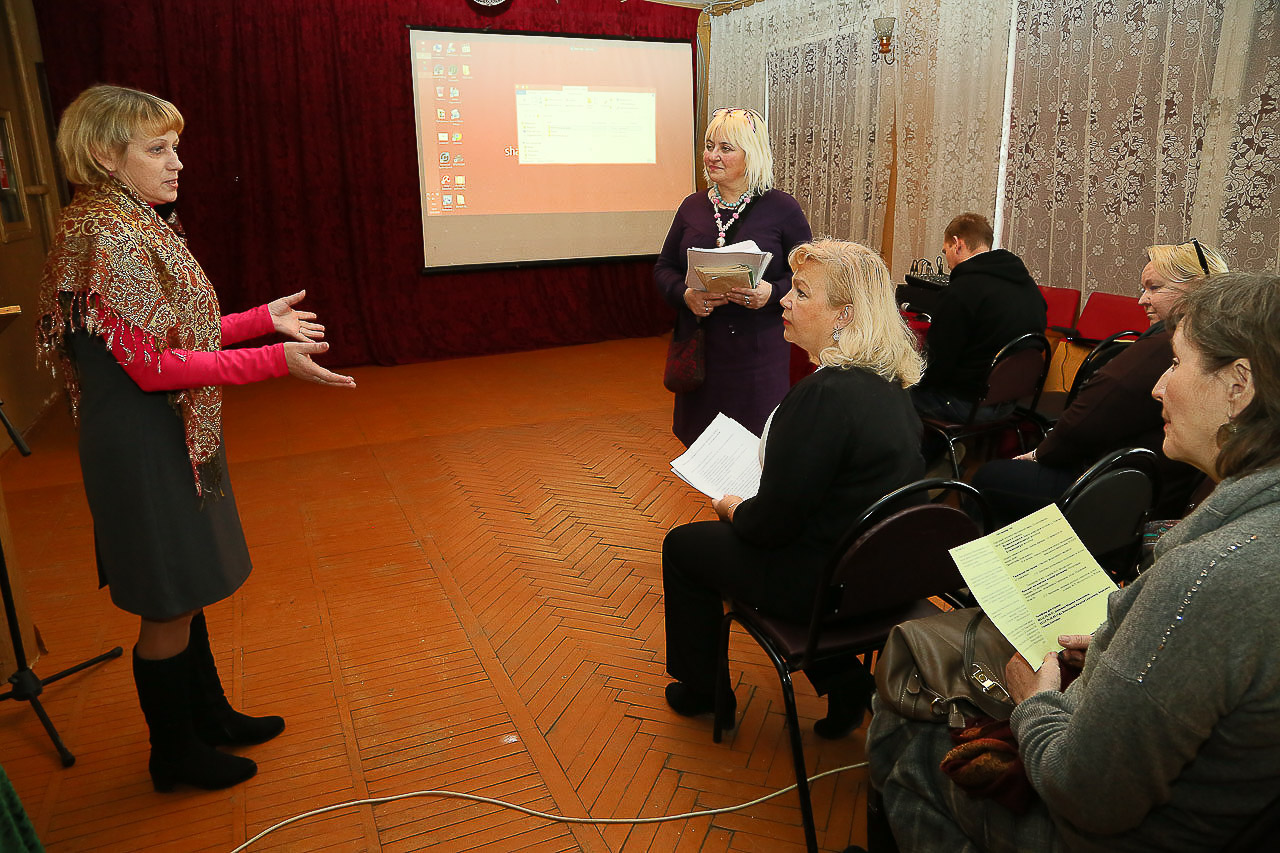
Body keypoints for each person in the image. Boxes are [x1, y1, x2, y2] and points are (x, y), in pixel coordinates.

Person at [867, 271, 1280, 852]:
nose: (1159, 387)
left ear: (1239, 386)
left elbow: (1087, 792)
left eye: (1176, 364)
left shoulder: (1207, 576)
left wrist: (1032, 703)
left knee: (912, 750)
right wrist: (1121, 643)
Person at [36, 85, 356, 792]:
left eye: (175, 146)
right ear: (104, 155)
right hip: (141, 442)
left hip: (164, 428)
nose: (177, 162)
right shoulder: (107, 239)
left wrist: (260, 319)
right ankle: (173, 753)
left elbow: (176, 331)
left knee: (187, 581)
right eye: (157, 148)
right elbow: (154, 367)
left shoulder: (129, 221)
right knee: (167, 597)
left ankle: (208, 716)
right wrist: (273, 360)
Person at [662, 240, 924, 738]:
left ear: (844, 314)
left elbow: (770, 528)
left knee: (683, 547)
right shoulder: (890, 384)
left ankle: (704, 692)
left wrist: (733, 508)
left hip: (821, 586)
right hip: (877, 573)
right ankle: (845, 680)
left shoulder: (823, 396)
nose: (783, 299)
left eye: (801, 292)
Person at [971, 241, 1227, 527]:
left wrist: (1040, 453)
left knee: (989, 477)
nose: (1142, 300)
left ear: (1196, 288)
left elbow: (1090, 416)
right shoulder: (1214, 341)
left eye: (1154, 288)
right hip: (1152, 486)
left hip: (1127, 493)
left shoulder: (1167, 343)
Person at [654, 107, 812, 446]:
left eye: (726, 148)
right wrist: (686, 295)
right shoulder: (692, 207)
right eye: (709, 146)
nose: (712, 156)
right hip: (702, 351)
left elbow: (808, 275)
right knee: (702, 446)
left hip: (758, 355)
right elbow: (664, 268)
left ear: (751, 154)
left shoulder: (782, 208)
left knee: (752, 445)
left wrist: (772, 293)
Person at [912, 213, 1046, 425]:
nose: (948, 263)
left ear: (957, 244)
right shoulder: (1028, 286)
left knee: (885, 395)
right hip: (1009, 402)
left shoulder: (962, 291)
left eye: (945, 251)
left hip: (966, 405)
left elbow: (936, 365)